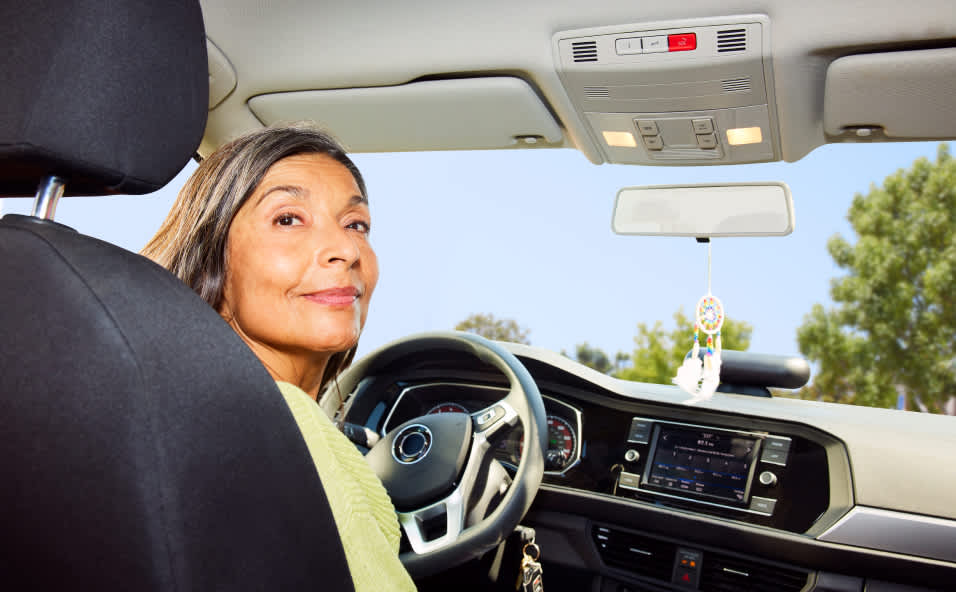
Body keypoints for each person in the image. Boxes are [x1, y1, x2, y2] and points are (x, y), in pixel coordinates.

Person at [141, 124, 417, 591]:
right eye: (288, 219)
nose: (346, 250)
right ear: (215, 259)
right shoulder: (284, 427)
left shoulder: (181, 412)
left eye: (356, 225)